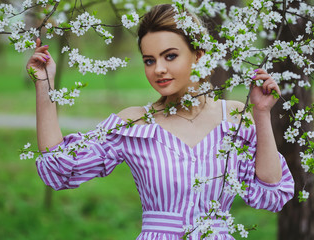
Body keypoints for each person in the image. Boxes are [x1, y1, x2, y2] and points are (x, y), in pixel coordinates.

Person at [27, 4, 294, 239]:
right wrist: (44, 84)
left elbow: (271, 191)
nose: (158, 69)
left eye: (170, 56)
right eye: (149, 60)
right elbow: (60, 168)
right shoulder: (135, 124)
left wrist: (260, 114)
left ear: (198, 55)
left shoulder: (233, 117)